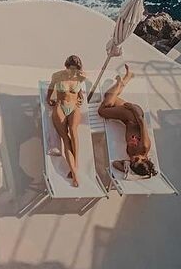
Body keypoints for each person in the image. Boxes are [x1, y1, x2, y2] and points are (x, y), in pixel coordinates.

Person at [97, 63, 158, 179]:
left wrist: (129, 169)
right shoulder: (144, 146)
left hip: (126, 120)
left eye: (133, 162)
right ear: (145, 158)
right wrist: (132, 108)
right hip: (133, 116)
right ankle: (120, 83)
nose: (132, 159)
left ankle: (127, 77)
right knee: (102, 111)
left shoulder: (132, 160)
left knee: (109, 96)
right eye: (137, 159)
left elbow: (115, 164)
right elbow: (142, 122)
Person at [45, 53, 87, 187]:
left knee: (73, 131)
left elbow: (79, 91)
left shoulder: (80, 77)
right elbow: (51, 88)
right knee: (65, 138)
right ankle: (74, 174)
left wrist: (81, 97)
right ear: (66, 66)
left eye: (76, 69)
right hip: (60, 107)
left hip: (74, 107)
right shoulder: (57, 76)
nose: (73, 72)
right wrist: (48, 99)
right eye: (71, 69)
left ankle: (76, 163)